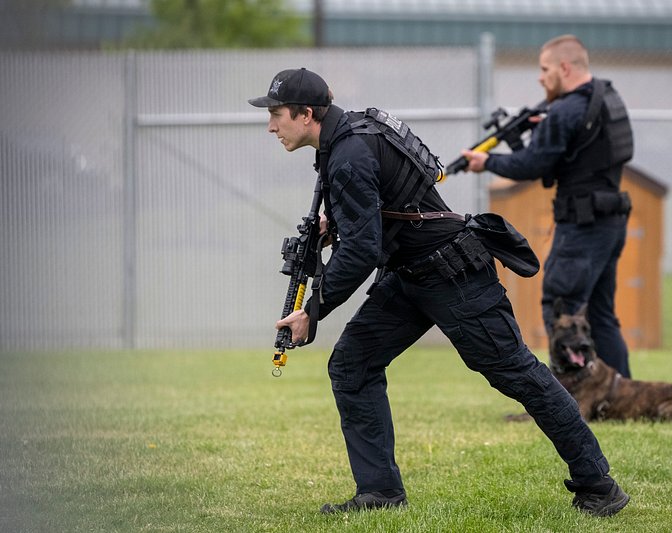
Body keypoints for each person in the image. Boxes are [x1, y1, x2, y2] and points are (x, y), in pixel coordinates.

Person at [249, 67, 629, 517]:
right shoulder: (354, 133)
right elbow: (388, 205)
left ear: (306, 113)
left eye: (276, 115)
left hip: (455, 277)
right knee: (353, 365)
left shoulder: (348, 153)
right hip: (411, 274)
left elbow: (362, 251)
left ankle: (598, 484)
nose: (271, 126)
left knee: (519, 374)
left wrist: (312, 311)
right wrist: (343, 222)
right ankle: (380, 493)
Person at [460, 34, 634, 378]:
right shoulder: (607, 98)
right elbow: (577, 155)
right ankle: (619, 394)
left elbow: (531, 166)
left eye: (544, 69)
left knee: (561, 310)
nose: (540, 77)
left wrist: (486, 162)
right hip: (610, 222)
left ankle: (564, 402)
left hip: (581, 227)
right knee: (600, 315)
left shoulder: (565, 111)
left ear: (564, 68)